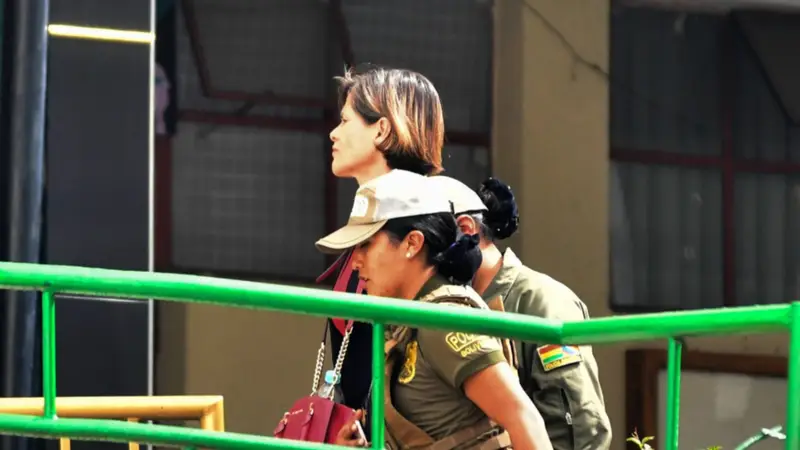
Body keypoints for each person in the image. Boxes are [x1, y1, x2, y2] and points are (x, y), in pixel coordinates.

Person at [315, 170, 554, 450]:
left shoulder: (442, 320)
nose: (355, 261)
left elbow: (523, 418)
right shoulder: (409, 322)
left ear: (412, 243)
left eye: (366, 244)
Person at [426, 175, 613, 450]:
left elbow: (579, 427)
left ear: (465, 229)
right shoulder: (442, 308)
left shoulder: (542, 301)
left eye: (428, 240)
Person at [317, 65, 446, 422]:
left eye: (345, 121)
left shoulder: (434, 226)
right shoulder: (365, 225)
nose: (333, 133)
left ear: (382, 130)